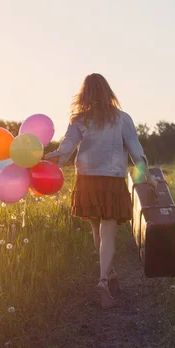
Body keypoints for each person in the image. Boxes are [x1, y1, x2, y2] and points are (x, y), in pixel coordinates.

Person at [44, 73, 157, 308]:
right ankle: (104, 280)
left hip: (87, 180)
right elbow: (137, 152)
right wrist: (148, 176)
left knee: (97, 232)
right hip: (111, 179)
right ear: (108, 92)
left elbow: (64, 150)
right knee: (108, 232)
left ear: (84, 94)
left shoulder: (79, 120)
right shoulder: (122, 119)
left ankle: (110, 274)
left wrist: (48, 159)